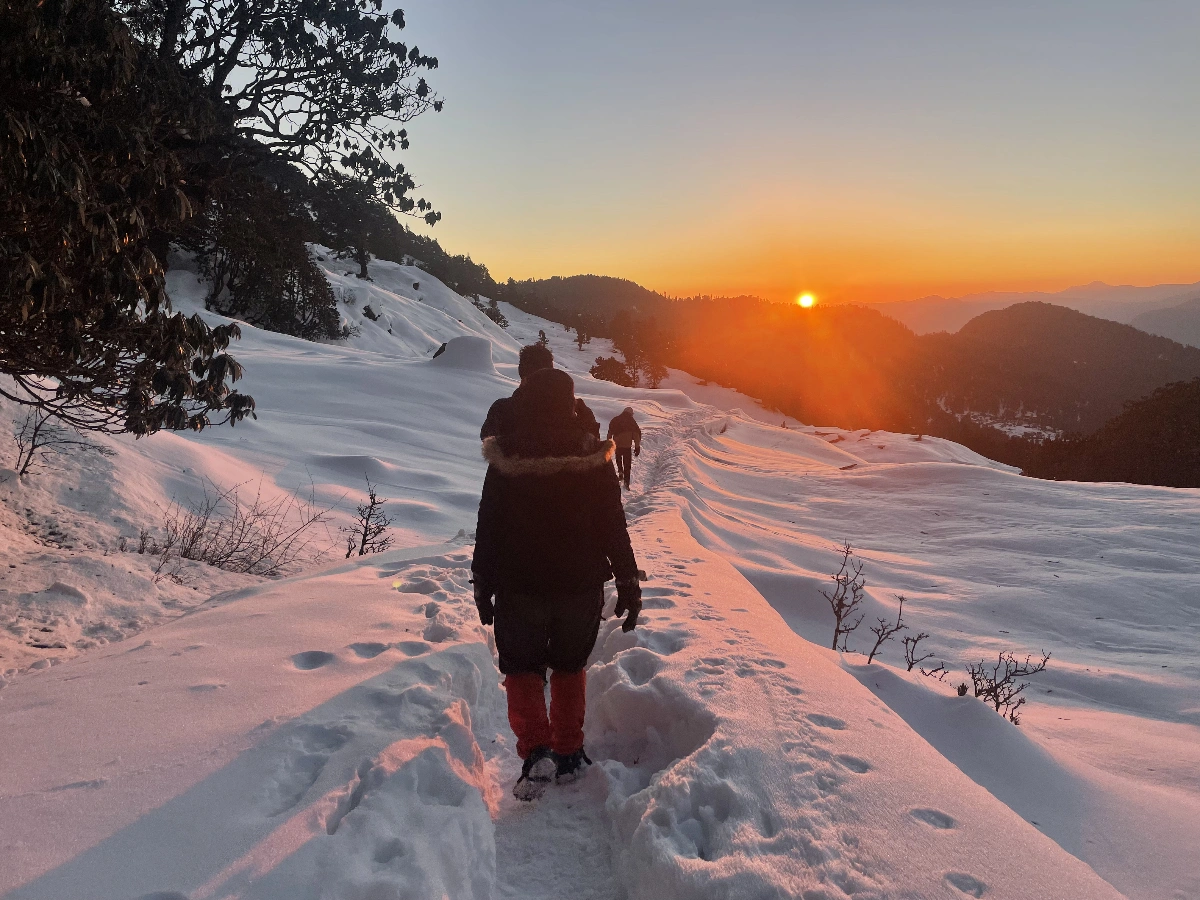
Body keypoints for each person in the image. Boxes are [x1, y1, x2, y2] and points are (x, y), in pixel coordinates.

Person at [472, 367, 642, 801]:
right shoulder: (592, 454)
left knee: (522, 668)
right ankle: (568, 752)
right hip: (580, 583)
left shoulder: (505, 457)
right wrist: (627, 579)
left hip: (519, 583)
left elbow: (488, 526)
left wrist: (482, 583)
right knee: (569, 666)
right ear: (570, 404)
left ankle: (536, 752)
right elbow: (613, 526)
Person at [481, 343, 600, 440]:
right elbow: (591, 449)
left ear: (520, 371)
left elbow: (488, 442)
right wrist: (588, 421)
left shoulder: (502, 409)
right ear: (551, 370)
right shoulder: (573, 411)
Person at [607, 407, 642, 490]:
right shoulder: (632, 422)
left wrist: (608, 443)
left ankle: (620, 471)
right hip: (627, 446)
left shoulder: (615, 420)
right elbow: (636, 435)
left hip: (617, 445)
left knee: (618, 459)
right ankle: (626, 483)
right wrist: (637, 447)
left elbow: (610, 432)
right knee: (627, 465)